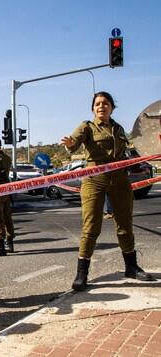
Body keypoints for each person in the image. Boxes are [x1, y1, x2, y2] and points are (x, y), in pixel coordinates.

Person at [61, 91, 153, 291]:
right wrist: (70, 144)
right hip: (95, 177)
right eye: (97, 104)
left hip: (119, 176)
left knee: (125, 222)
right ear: (93, 108)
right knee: (91, 225)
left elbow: (130, 149)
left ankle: (131, 266)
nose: (101, 106)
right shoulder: (87, 126)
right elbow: (74, 143)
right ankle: (82, 272)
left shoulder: (118, 128)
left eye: (105, 103)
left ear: (112, 107)